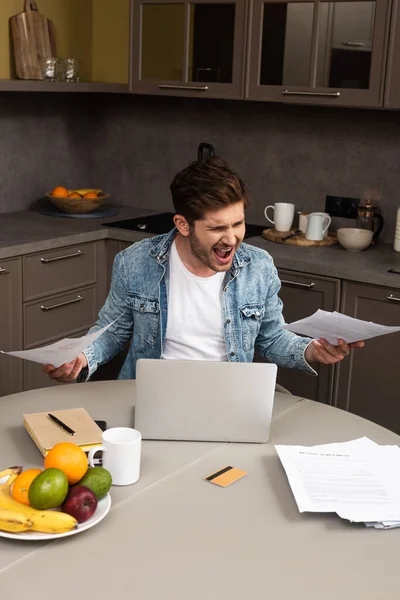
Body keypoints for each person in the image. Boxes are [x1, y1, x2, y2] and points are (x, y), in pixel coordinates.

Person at [42, 157, 363, 383]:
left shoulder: (258, 267)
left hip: (230, 401)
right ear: (183, 224)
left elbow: (272, 337)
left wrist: (312, 351)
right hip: (150, 399)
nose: (232, 237)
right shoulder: (135, 262)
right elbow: (111, 332)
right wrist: (81, 358)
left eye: (238, 224)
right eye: (217, 228)